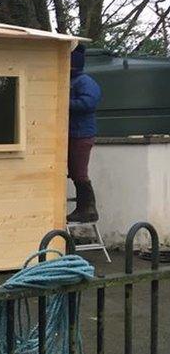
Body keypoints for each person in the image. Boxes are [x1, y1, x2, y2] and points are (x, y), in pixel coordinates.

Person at [68, 43, 102, 222]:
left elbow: (88, 103)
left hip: (81, 134)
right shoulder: (71, 80)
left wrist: (65, 103)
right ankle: (84, 207)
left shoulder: (85, 82)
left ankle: (88, 209)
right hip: (73, 133)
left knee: (79, 172)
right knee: (74, 171)